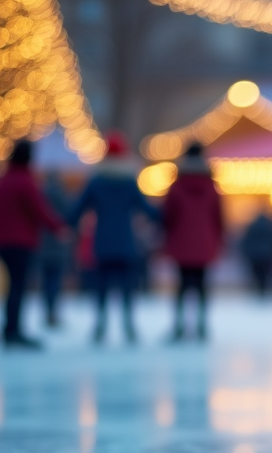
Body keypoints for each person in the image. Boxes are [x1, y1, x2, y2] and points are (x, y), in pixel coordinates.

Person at [69, 131, 157, 344]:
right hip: (126, 243)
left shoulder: (96, 182)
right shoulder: (129, 183)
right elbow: (148, 210)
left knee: (101, 287)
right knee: (127, 287)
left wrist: (62, 225)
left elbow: (76, 211)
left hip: (103, 242)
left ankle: (100, 325)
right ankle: (129, 326)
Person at [0, 140, 65, 349]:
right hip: (20, 242)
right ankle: (13, 330)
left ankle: (10, 328)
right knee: (18, 286)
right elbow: (39, 209)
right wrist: (58, 228)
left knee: (13, 285)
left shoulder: (4, 179)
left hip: (2, 241)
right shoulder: (25, 180)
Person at [163, 143, 223, 341]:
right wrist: (218, 241)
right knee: (202, 286)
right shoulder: (211, 187)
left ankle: (179, 326)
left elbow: (168, 217)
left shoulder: (177, 187)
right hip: (205, 244)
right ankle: (201, 326)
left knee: (181, 286)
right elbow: (219, 218)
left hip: (181, 244)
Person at [38, 173, 72, 329]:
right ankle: (53, 311)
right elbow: (69, 216)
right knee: (55, 280)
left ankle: (48, 311)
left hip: (43, 243)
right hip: (59, 242)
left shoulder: (41, 195)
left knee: (46, 280)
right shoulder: (62, 197)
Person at [240, 206, 272, 298]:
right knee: (268, 275)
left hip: (255, 256)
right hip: (267, 256)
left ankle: (261, 291)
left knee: (258, 276)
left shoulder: (252, 228)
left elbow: (245, 242)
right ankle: (267, 291)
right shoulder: (271, 227)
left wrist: (247, 253)